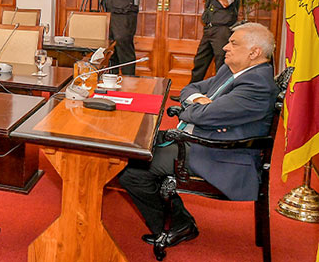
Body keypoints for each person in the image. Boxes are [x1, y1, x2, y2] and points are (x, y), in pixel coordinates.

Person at [118, 22, 277, 250]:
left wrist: (191, 111)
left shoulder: (257, 84)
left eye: (233, 43)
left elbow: (204, 116)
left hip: (219, 154)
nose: (225, 48)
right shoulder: (231, 70)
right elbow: (189, 89)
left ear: (254, 52)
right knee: (133, 144)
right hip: (196, 137)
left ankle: (178, 225)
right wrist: (199, 101)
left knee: (131, 170)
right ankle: (179, 220)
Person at [187, 0, 245, 84]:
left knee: (222, 63)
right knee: (200, 62)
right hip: (209, 28)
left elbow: (225, 2)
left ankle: (218, 96)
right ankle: (190, 93)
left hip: (223, 29)